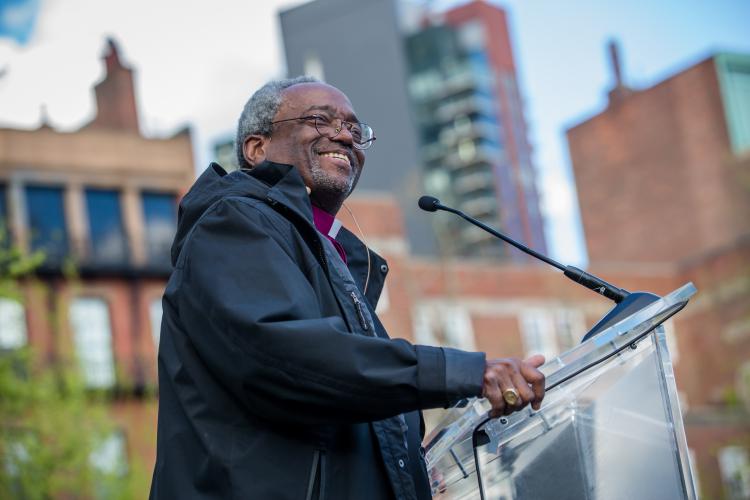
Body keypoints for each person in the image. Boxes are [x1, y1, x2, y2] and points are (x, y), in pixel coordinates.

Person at [149, 76, 546, 500]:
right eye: (319, 120)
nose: (343, 134)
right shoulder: (232, 222)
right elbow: (293, 360)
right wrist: (465, 372)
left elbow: (350, 397)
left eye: (355, 130)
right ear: (257, 148)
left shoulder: (333, 260)